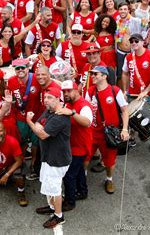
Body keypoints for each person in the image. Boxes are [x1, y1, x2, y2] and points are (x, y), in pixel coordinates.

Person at [27, 87, 71, 229]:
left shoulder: (60, 117)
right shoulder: (49, 111)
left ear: (58, 98)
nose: (46, 100)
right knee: (48, 183)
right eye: (45, 98)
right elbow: (39, 124)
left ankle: (59, 216)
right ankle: (52, 208)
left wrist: (29, 121)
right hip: (49, 157)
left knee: (55, 188)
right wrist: (37, 126)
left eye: (50, 97)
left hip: (57, 160)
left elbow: (42, 134)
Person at [85, 66, 130, 194]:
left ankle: (109, 179)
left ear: (104, 76)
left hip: (109, 134)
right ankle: (83, 176)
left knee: (109, 161)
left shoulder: (115, 91)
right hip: (92, 132)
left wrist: (125, 129)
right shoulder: (90, 91)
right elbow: (85, 109)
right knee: (85, 157)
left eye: (95, 74)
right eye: (92, 74)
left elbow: (125, 110)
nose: (92, 76)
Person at [122, 34, 150, 153]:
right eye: (131, 41)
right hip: (133, 94)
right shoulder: (128, 57)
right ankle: (132, 138)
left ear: (142, 42)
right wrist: (125, 90)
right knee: (132, 118)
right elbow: (124, 73)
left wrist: (145, 91)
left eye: (136, 41)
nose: (133, 43)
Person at [58, 80, 93, 211]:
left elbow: (87, 122)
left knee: (68, 174)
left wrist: (72, 113)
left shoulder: (84, 105)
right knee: (78, 171)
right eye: (64, 91)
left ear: (76, 90)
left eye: (69, 91)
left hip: (80, 146)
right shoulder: (68, 103)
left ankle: (70, 201)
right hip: (72, 144)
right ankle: (82, 192)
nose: (66, 94)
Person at [0, 121, 28, 207]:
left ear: (5, 131)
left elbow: (19, 161)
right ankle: (7, 179)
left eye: (0, 131)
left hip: (12, 165)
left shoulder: (12, 141)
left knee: (19, 177)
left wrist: (7, 174)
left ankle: (21, 193)